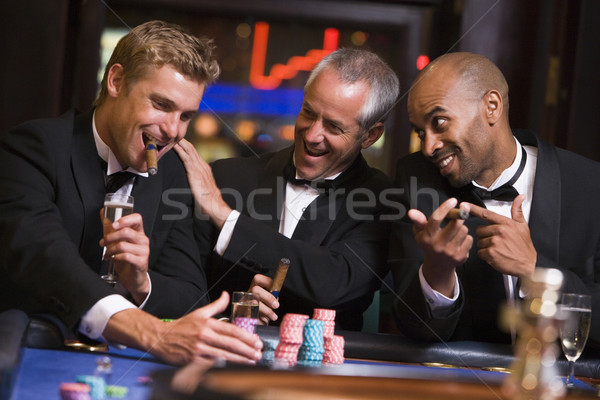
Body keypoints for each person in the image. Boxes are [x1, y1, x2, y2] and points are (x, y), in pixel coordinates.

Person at [0, 20, 262, 365]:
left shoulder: (174, 178)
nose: (172, 131)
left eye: (186, 116)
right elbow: (44, 257)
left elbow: (190, 298)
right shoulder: (32, 148)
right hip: (27, 353)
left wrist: (141, 282)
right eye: (161, 105)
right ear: (116, 81)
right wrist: (149, 332)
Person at [175, 48, 399, 330]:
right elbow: (182, 288)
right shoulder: (225, 176)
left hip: (324, 371)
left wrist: (227, 219)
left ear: (370, 135)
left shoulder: (385, 199)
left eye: (333, 126)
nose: (313, 134)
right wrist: (231, 319)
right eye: (308, 112)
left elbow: (336, 282)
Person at [391, 52, 600, 349]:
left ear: (491, 106)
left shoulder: (590, 185)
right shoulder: (415, 180)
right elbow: (413, 327)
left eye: (439, 122)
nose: (428, 146)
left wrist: (533, 268)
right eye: (419, 132)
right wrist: (437, 272)